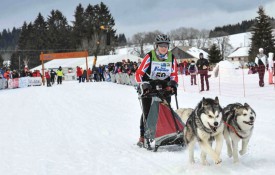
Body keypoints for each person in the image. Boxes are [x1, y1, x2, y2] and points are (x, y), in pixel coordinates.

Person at [135, 34, 178, 147]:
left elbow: (174, 74)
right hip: (149, 85)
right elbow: (139, 73)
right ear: (157, 46)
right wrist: (143, 85)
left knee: (166, 109)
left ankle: (167, 133)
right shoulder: (150, 56)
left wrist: (173, 85)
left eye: (166, 45)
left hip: (164, 86)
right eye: (161, 45)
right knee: (147, 112)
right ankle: (143, 136)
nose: (163, 48)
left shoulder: (171, 57)